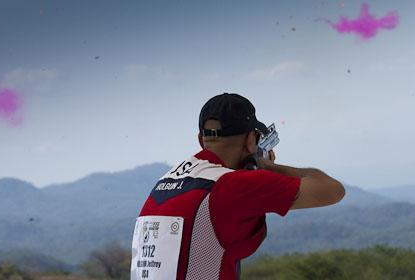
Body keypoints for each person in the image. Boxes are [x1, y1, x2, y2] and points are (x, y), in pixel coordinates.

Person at [130, 92, 345, 280]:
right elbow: (332, 190)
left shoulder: (165, 182)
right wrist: (267, 166)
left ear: (200, 139)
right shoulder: (232, 185)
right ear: (251, 140)